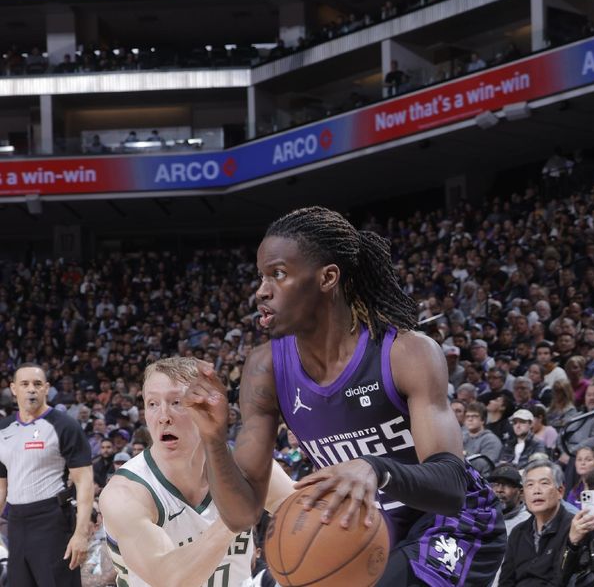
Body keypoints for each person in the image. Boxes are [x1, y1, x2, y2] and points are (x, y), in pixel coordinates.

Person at [184, 206, 507, 586]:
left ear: (328, 277)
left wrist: (376, 467)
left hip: (452, 521)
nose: (262, 290)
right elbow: (242, 515)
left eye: (279, 274)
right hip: (366, 527)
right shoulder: (265, 367)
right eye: (261, 276)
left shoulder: (406, 353)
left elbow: (452, 486)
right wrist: (212, 438)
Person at [99, 357, 295, 586]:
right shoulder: (126, 493)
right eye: (152, 404)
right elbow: (168, 580)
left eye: (177, 402)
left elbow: (305, 513)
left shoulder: (245, 465)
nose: (163, 416)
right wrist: (231, 519)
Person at [0, 363, 94, 587]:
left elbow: (85, 482)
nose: (31, 389)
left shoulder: (65, 426)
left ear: (46, 389)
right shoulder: (3, 429)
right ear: (14, 389)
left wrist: (80, 534)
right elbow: (1, 486)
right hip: (15, 521)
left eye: (37, 384)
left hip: (52, 520)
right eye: (25, 384)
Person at [498, 460, 574, 587]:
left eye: (544, 483)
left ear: (560, 491)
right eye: (530, 485)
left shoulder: (574, 528)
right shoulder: (518, 532)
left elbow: (565, 578)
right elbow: (506, 581)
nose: (536, 491)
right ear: (523, 494)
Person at [487, 464, 531, 535]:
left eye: (507, 485)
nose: (499, 489)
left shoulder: (527, 523)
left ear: (521, 492)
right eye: (495, 484)